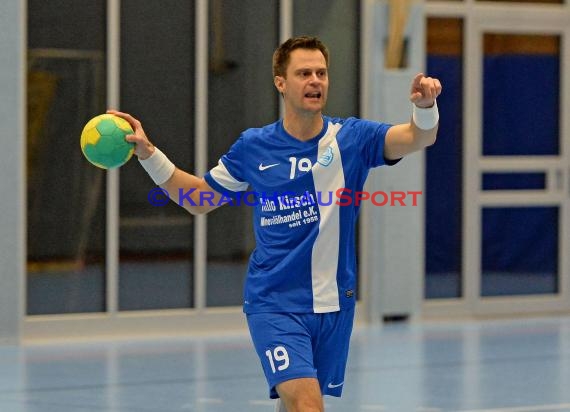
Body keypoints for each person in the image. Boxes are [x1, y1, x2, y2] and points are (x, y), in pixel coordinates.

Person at [109, 35, 441, 412]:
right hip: (274, 302)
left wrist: (425, 107)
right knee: (306, 403)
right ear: (281, 82)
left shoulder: (353, 139)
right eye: (304, 73)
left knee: (294, 403)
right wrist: (149, 154)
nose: (315, 80)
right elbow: (198, 199)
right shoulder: (254, 146)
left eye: (321, 73)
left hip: (335, 302)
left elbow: (418, 136)